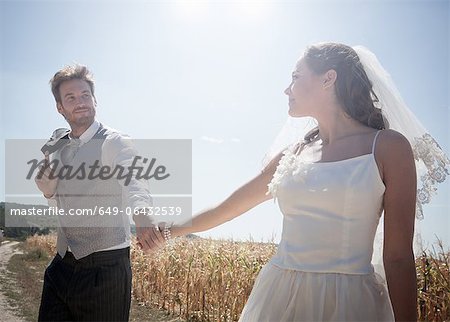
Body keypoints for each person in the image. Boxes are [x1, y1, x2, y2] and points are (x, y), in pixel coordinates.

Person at [146, 43, 450, 321]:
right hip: (280, 295)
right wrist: (170, 230)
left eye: (295, 77)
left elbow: (397, 256)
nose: (286, 89)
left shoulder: (388, 147)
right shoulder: (292, 154)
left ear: (328, 78)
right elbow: (227, 208)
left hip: (349, 303)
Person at [34, 64, 158, 321]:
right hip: (61, 265)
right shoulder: (59, 146)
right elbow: (56, 197)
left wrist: (143, 214)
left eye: (85, 95)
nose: (80, 102)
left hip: (105, 269)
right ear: (60, 108)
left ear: (94, 99)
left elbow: (134, 177)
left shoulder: (114, 141)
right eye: (70, 97)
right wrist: (48, 184)